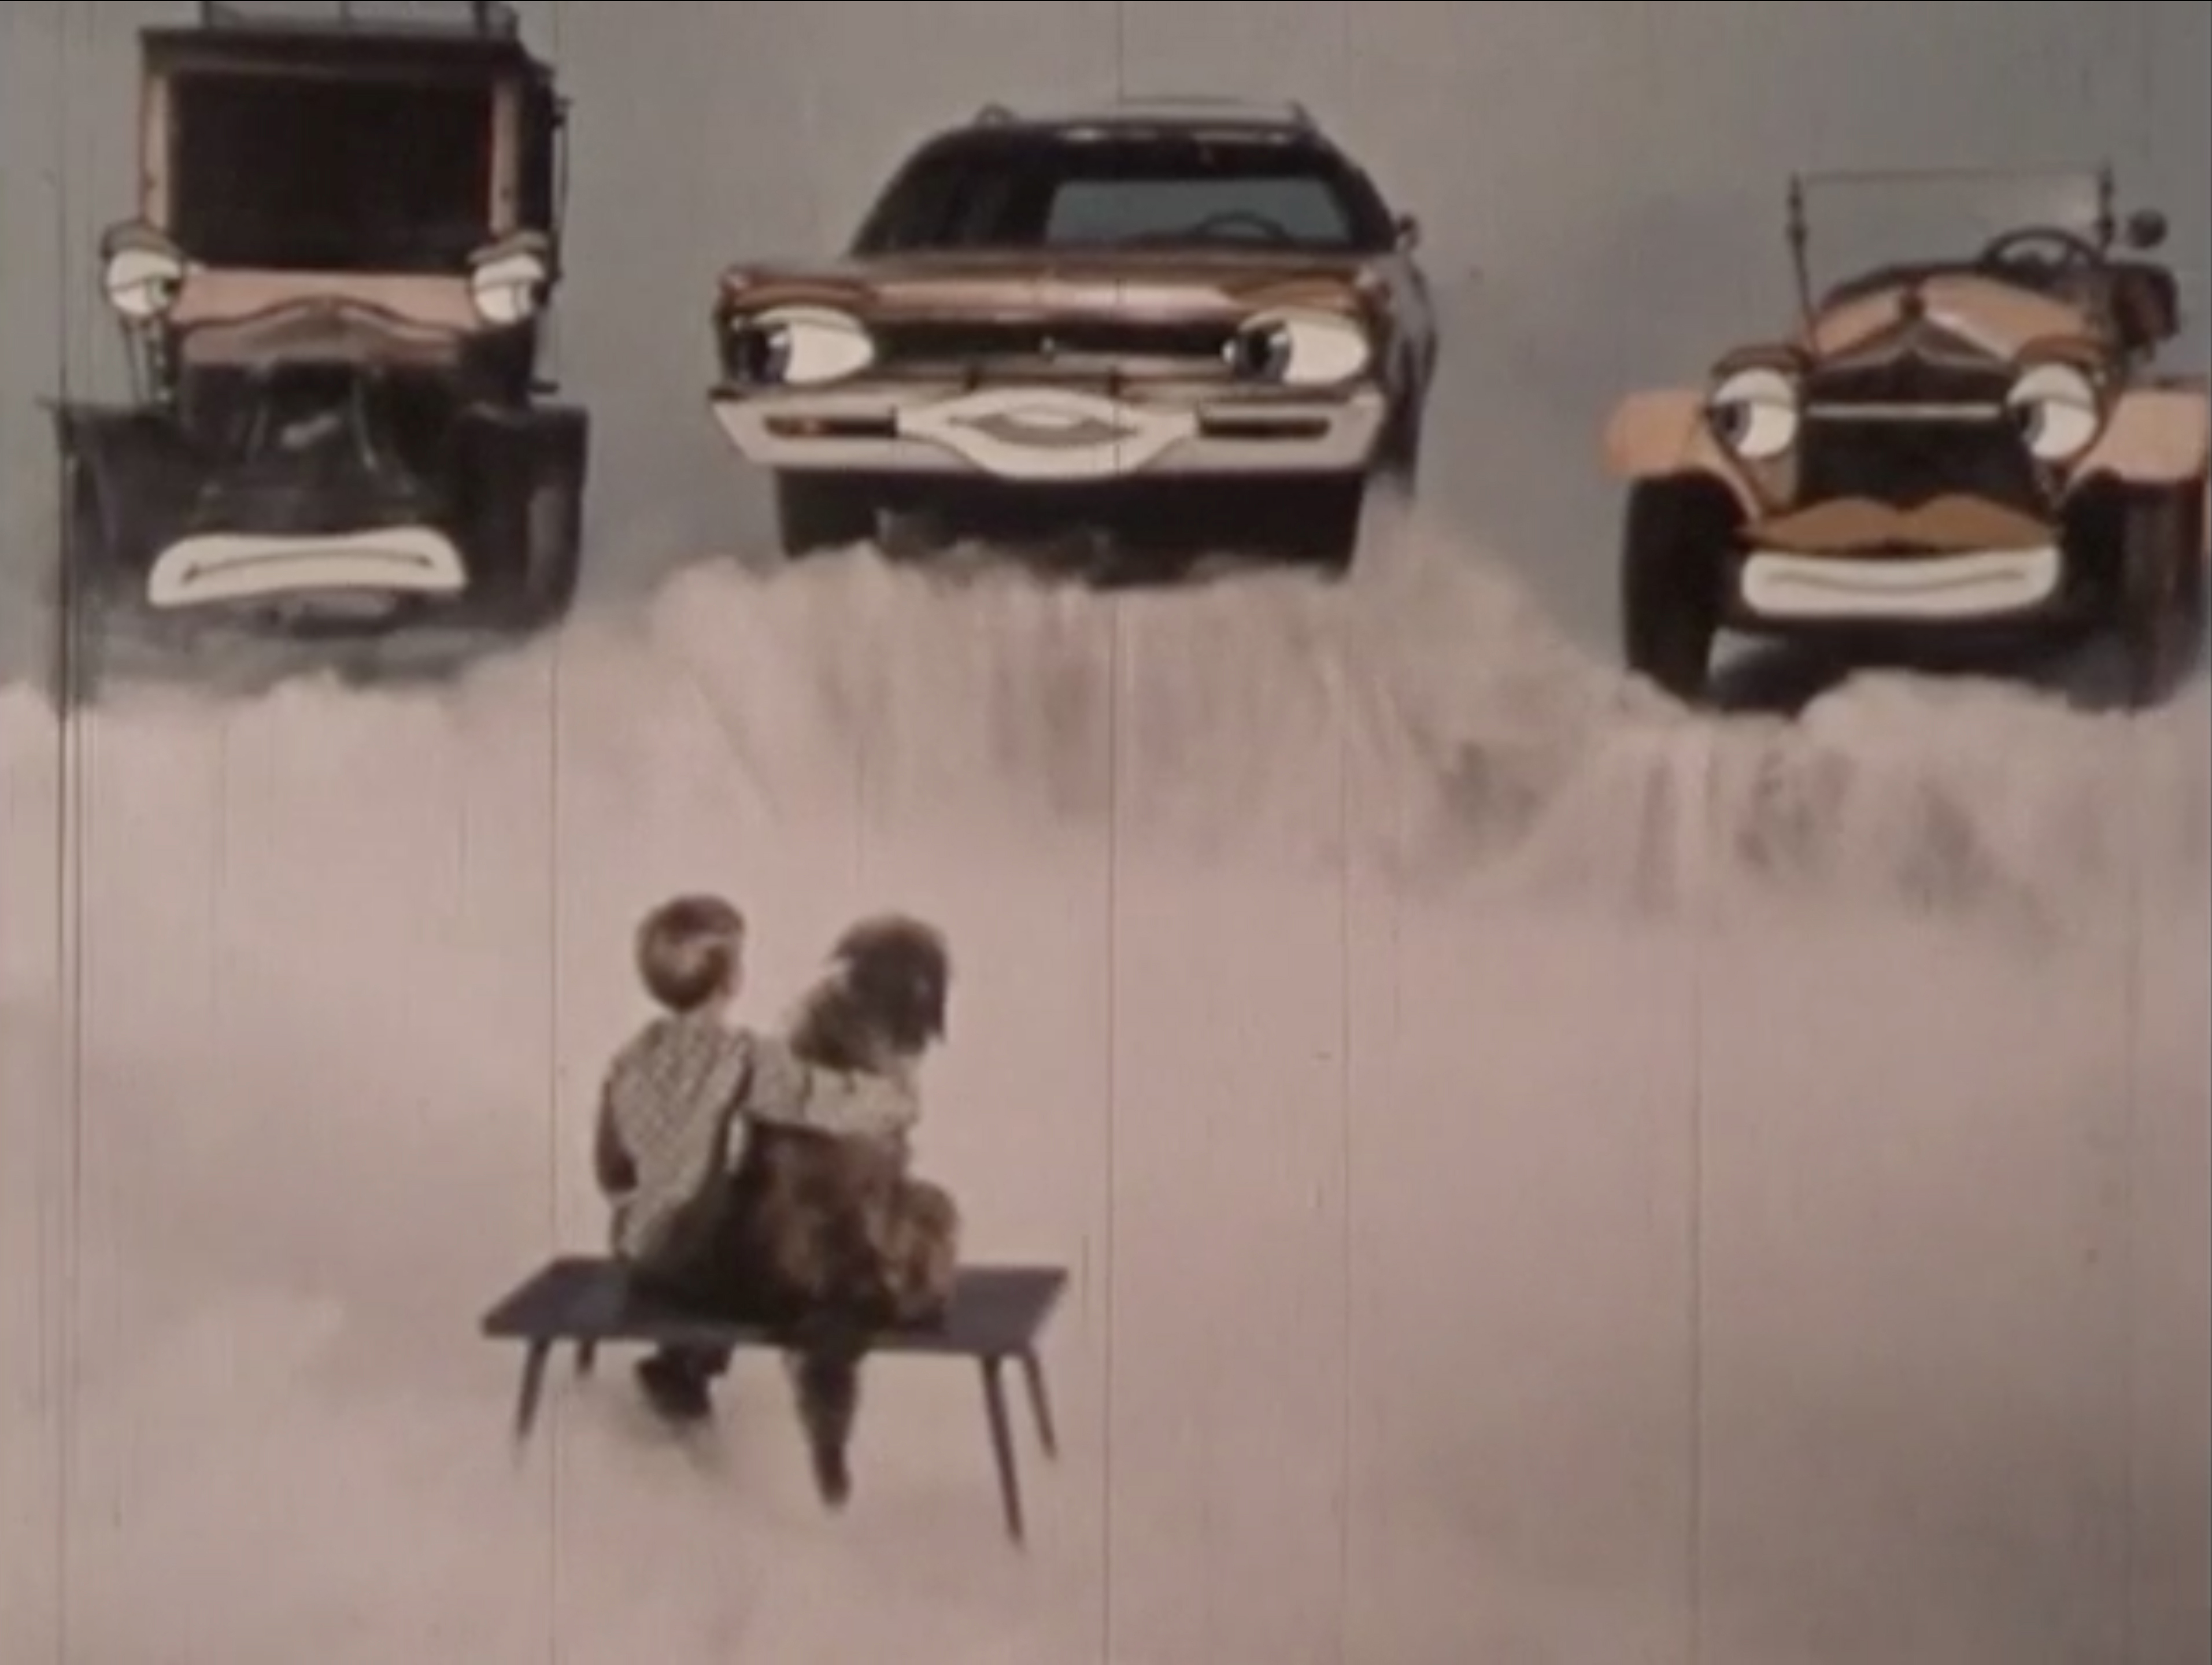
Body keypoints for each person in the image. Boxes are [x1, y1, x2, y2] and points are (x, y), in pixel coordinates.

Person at [592, 893, 919, 1423]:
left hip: (638, 1254)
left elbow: (611, 1170)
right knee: (770, 1218)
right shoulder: (740, 1056)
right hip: (699, 1262)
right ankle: (691, 1365)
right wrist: (895, 1102)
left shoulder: (629, 1060)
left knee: (723, 1186)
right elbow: (817, 1099)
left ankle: (684, 1362)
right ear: (730, 979)